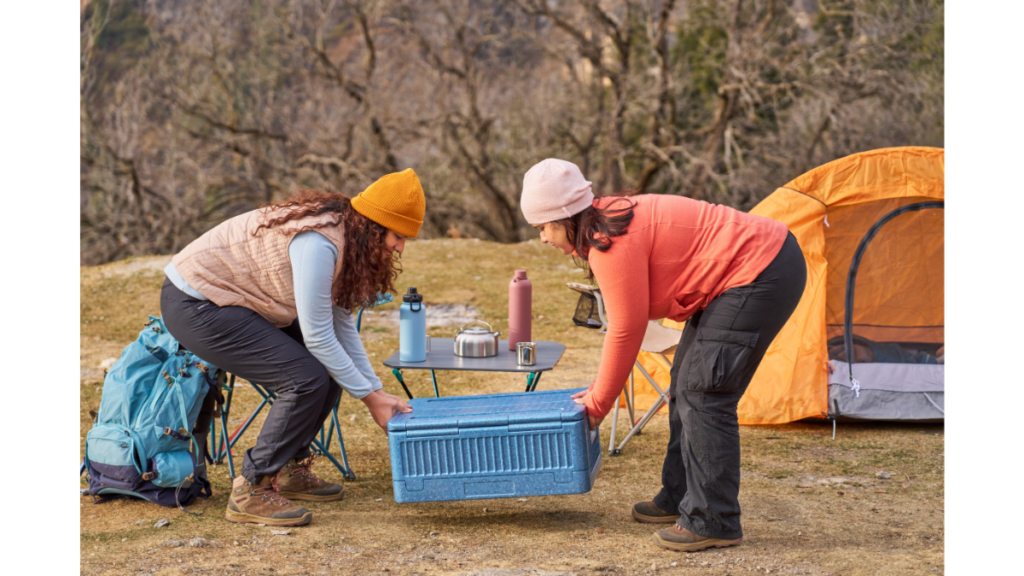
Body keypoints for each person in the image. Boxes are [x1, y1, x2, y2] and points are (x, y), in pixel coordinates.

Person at [519, 159, 807, 552]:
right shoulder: (607, 224)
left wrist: (599, 403)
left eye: (543, 228)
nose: (542, 238)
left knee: (704, 391)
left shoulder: (609, 243)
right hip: (738, 276)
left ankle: (715, 519)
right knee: (684, 384)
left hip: (762, 269)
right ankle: (680, 497)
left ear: (565, 217)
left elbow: (625, 329)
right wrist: (597, 392)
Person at [161, 169, 423, 526]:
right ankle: (251, 488)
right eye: (398, 236)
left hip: (238, 302)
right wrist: (369, 399)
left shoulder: (350, 240)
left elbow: (341, 324)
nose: (400, 247)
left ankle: (288, 468)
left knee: (329, 371)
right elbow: (317, 336)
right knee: (306, 378)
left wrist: (375, 389)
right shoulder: (319, 243)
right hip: (198, 302)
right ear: (375, 226)